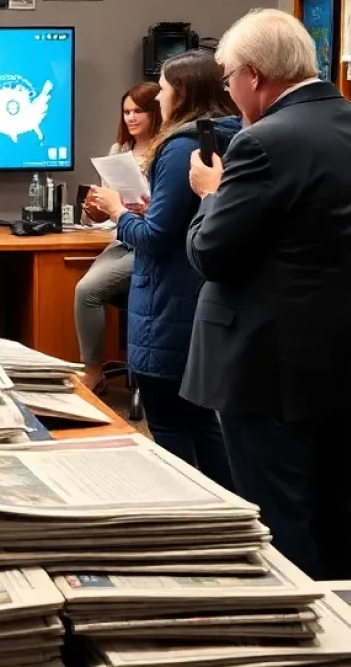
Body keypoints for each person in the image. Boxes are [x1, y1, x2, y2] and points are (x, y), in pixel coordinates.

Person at [183, 8, 351, 580]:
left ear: (255, 74)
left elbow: (210, 254)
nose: (229, 91)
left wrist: (210, 195)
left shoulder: (262, 142)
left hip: (270, 367)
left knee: (279, 514)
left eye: (228, 77)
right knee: (335, 503)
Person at [92, 51, 239, 486]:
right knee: (201, 420)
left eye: (165, 89)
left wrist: (119, 212)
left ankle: (190, 517)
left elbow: (156, 240)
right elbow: (183, 219)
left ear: (185, 92)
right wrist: (148, 210)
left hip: (168, 302)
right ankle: (230, 513)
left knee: (170, 421)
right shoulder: (233, 134)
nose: (160, 99)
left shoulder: (178, 147)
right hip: (200, 297)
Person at [75, 83, 160, 393]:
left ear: (156, 113)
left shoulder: (167, 150)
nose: (131, 118)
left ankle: (93, 373)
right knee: (84, 291)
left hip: (148, 240)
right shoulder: (119, 152)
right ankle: (94, 372)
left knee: (89, 289)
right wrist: (95, 210)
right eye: (126, 112)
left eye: (139, 111)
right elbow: (101, 215)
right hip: (121, 236)